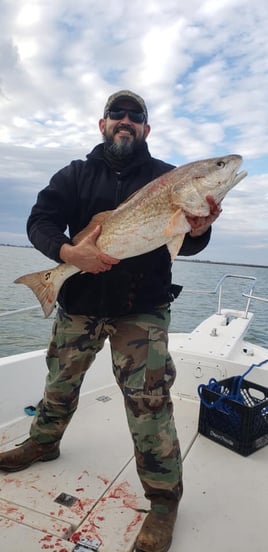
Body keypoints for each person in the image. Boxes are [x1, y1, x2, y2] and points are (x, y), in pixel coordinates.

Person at [0, 90, 221, 552]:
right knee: (58, 384)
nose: (125, 120)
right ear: (102, 124)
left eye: (135, 116)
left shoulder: (168, 178)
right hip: (79, 302)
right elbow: (40, 220)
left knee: (150, 403)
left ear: (146, 128)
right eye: (116, 114)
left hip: (141, 308)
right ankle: (43, 442)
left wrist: (199, 227)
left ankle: (163, 501)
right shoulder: (75, 175)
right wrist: (68, 253)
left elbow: (188, 245)